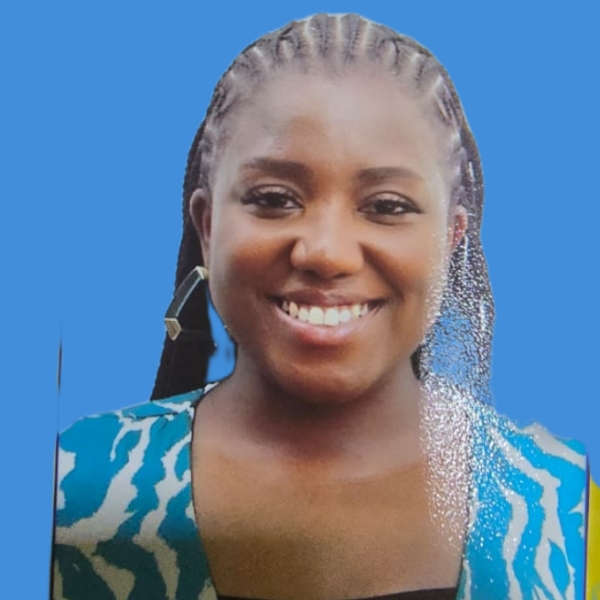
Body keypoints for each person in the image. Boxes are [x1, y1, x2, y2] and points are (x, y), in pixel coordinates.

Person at [51, 13, 598, 600]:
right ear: (207, 228)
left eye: (387, 206)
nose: (327, 253)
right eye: (274, 199)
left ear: (450, 240)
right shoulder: (71, 488)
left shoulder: (564, 507)